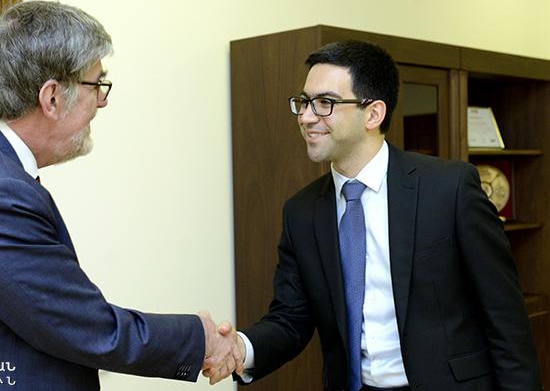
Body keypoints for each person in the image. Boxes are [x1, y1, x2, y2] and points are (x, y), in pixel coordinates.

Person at [0, 0, 240, 390]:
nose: (102, 101)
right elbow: (88, 328)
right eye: (96, 84)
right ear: (51, 97)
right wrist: (199, 339)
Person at [206, 40, 541, 390]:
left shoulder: (449, 189)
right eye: (304, 102)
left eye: (325, 103)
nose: (306, 117)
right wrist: (241, 348)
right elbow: (290, 319)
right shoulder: (301, 212)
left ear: (373, 114)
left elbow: (505, 318)